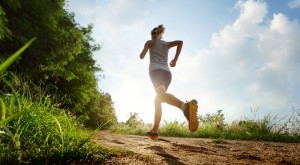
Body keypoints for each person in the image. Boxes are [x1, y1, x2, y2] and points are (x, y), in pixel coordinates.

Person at [139, 24, 199, 141]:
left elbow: (141, 56)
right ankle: (155, 131)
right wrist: (175, 60)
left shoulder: (150, 42)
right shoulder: (166, 43)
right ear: (160, 35)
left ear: (153, 35)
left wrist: (147, 46)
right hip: (167, 73)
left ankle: (185, 107)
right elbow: (180, 42)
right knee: (158, 100)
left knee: (161, 96)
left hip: (155, 71)